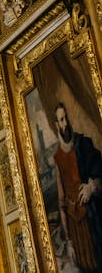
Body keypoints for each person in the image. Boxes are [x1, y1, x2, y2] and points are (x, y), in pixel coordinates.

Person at [50, 102, 102, 272]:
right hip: (75, 228)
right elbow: (61, 202)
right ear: (56, 125)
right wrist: (69, 241)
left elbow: (100, 172)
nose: (65, 124)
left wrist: (92, 186)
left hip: (93, 218)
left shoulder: (84, 144)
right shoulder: (58, 157)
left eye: (66, 118)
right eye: (61, 120)